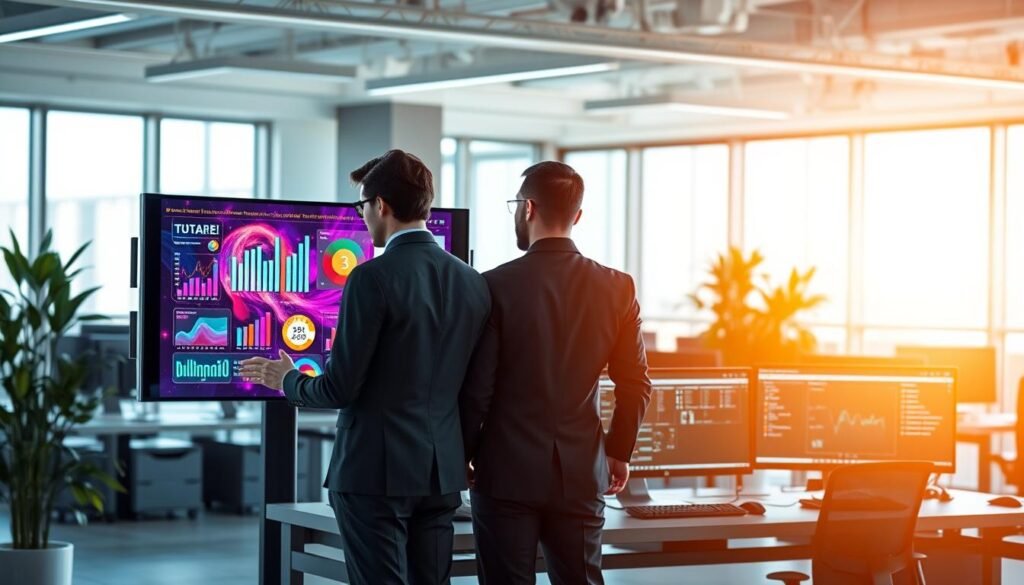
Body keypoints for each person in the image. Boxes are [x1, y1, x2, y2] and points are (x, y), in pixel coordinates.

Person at [240, 149, 490, 585]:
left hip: (373, 475)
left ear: (382, 205)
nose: (362, 217)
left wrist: (288, 380)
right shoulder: (472, 281)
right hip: (441, 475)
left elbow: (339, 389)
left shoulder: (371, 277)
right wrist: (459, 454)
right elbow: (475, 390)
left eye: (362, 206)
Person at [460, 161, 652, 584]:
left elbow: (478, 389)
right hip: (582, 472)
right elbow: (636, 383)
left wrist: (465, 453)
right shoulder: (617, 287)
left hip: (504, 472)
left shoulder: (493, 285)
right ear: (576, 216)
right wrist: (618, 452)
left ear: (528, 208)